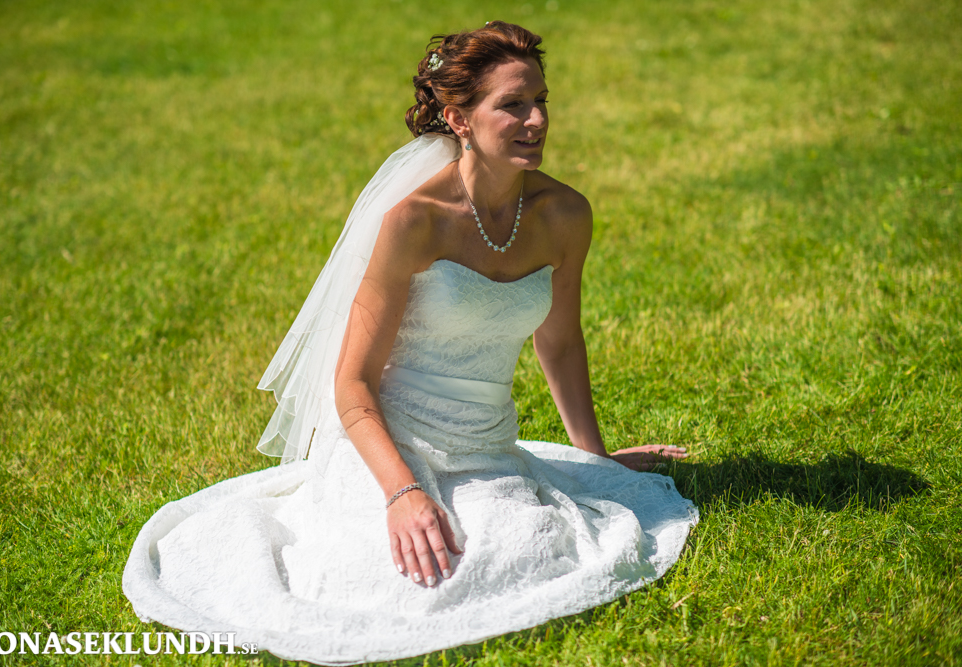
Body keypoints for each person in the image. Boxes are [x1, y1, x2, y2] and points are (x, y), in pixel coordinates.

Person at [123, 22, 697, 665]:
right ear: (459, 118)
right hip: (389, 443)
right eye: (512, 104)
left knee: (518, 552)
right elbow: (352, 381)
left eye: (541, 101)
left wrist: (594, 461)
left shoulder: (564, 214)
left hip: (486, 446)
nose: (536, 120)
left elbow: (559, 342)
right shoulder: (413, 221)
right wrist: (401, 493)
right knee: (396, 578)